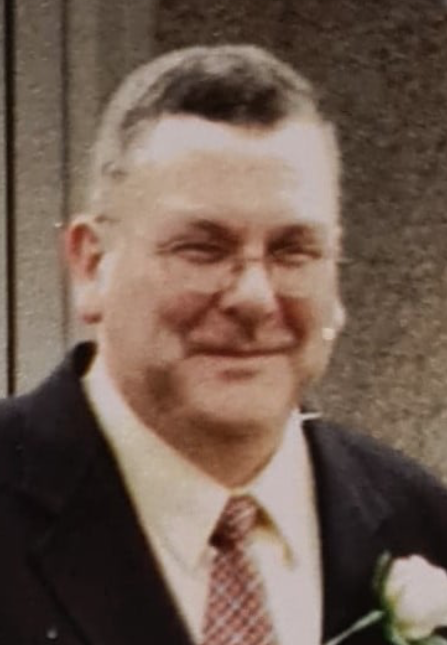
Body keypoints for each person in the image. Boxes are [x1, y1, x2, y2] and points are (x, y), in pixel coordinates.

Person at [1, 45, 446, 645]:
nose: (254, 297)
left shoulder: (421, 523)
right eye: (202, 249)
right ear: (91, 264)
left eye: (293, 250)